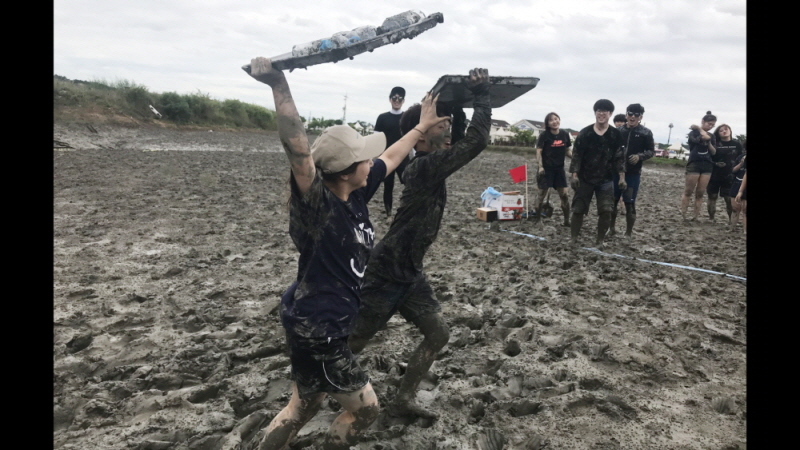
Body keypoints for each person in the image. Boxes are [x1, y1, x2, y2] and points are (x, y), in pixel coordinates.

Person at [245, 57, 448, 450]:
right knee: (367, 410)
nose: (372, 162)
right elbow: (297, 150)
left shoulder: (354, 192)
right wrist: (278, 86)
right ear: (344, 170)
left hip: (311, 321)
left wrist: (421, 127)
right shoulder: (319, 207)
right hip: (320, 331)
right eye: (364, 158)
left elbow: (392, 156)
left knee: (302, 406)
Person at [348, 68, 491, 420]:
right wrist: (482, 96)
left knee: (438, 334)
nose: (448, 133)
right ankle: (312, 388)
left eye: (448, 126)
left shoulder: (431, 161)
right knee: (354, 342)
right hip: (386, 272)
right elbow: (475, 142)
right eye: (441, 127)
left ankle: (403, 399)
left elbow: (459, 139)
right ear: (422, 136)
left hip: (410, 272)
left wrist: (456, 108)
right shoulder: (424, 167)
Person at [568, 99, 625, 248]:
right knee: (578, 209)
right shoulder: (585, 133)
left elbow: (619, 158)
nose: (601, 114)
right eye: (599, 111)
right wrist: (574, 175)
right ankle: (573, 238)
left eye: (605, 111)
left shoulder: (615, 135)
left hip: (606, 179)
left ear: (610, 114)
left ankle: (600, 240)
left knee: (606, 210)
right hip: (585, 178)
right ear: (595, 113)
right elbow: (576, 156)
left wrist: (621, 177)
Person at [609, 103, 654, 239]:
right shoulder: (618, 131)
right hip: (616, 172)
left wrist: (640, 156)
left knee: (629, 202)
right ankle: (611, 228)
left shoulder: (646, 133)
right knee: (612, 201)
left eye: (636, 115)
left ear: (641, 117)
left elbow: (651, 151)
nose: (632, 117)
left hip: (633, 173)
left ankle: (628, 232)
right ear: (626, 115)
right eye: (630, 114)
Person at [535, 112, 573, 226]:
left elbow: (567, 150)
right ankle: (538, 219)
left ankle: (566, 220)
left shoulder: (564, 134)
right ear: (548, 124)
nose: (554, 122)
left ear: (559, 120)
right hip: (546, 170)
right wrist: (540, 167)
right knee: (541, 195)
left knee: (564, 195)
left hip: (559, 170)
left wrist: (575, 158)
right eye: (551, 120)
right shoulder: (544, 135)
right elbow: (539, 151)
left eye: (556, 119)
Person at [375, 87, 408, 217]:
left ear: (403, 101)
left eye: (400, 98)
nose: (397, 100)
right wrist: (377, 156)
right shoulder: (382, 118)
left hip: (403, 156)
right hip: (387, 157)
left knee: (408, 183)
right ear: (390, 99)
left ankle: (406, 210)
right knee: (388, 186)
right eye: (394, 98)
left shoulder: (406, 117)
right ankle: (388, 213)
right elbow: (376, 138)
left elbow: (411, 137)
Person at [680, 111, 717, 221]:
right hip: (694, 163)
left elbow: (713, 152)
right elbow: (695, 141)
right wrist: (700, 130)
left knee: (700, 192)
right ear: (703, 121)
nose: (710, 126)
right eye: (709, 124)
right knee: (688, 191)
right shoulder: (693, 133)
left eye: (712, 125)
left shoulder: (712, 136)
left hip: (707, 165)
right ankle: (683, 215)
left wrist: (709, 141)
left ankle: (695, 216)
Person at [707, 124, 743, 222]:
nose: (724, 131)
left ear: (730, 131)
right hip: (714, 175)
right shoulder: (715, 144)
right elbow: (708, 158)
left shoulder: (737, 144)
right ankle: (711, 218)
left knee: (729, 199)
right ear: (718, 133)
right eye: (721, 130)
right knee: (712, 196)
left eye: (726, 129)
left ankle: (731, 220)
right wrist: (715, 163)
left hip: (730, 176)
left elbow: (741, 158)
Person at [730, 141, 747, 232]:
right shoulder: (740, 157)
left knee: (745, 210)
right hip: (737, 182)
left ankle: (745, 230)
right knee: (735, 208)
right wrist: (741, 163)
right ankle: (732, 228)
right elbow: (733, 170)